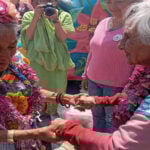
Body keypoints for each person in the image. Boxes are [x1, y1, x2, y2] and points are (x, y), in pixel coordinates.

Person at [46, 1, 150, 150]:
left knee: (110, 123)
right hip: (96, 83)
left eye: (129, 38)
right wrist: (98, 100)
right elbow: (130, 98)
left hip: (113, 86)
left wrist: (69, 129)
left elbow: (119, 145)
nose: (121, 45)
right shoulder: (144, 74)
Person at [82, 0, 136, 133]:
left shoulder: (135, 27)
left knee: (112, 120)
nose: (113, 6)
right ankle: (97, 142)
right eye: (109, 2)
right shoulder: (103, 23)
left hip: (117, 86)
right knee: (97, 116)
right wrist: (85, 74)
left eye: (119, 2)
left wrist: (131, 86)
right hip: (94, 81)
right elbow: (93, 50)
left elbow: (140, 61)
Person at [21, 0, 75, 116]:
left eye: (50, 1)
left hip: (58, 62)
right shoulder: (29, 15)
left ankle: (54, 117)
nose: (47, 3)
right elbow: (28, 36)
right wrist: (36, 16)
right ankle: (36, 117)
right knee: (37, 90)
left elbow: (62, 37)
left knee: (57, 90)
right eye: (44, 1)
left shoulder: (64, 15)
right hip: (37, 60)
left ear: (55, 2)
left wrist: (55, 20)